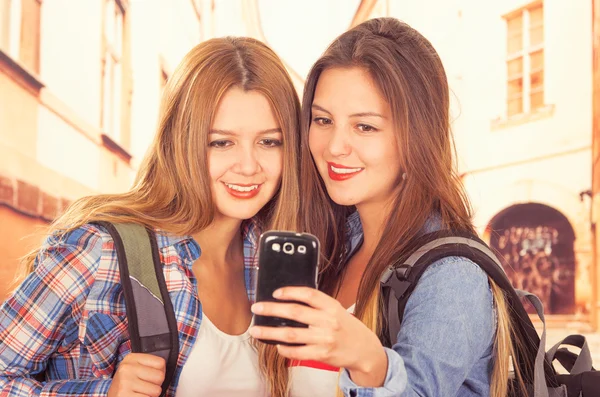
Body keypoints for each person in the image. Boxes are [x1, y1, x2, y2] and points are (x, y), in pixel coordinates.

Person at [0, 36, 300, 397]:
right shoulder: (101, 250)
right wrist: (103, 394)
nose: (249, 166)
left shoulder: (275, 259)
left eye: (269, 142)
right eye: (221, 142)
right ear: (182, 141)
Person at [251, 17, 520, 397]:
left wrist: (369, 362)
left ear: (416, 137)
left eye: (365, 127)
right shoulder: (332, 242)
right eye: (323, 120)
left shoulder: (452, 275)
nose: (334, 147)